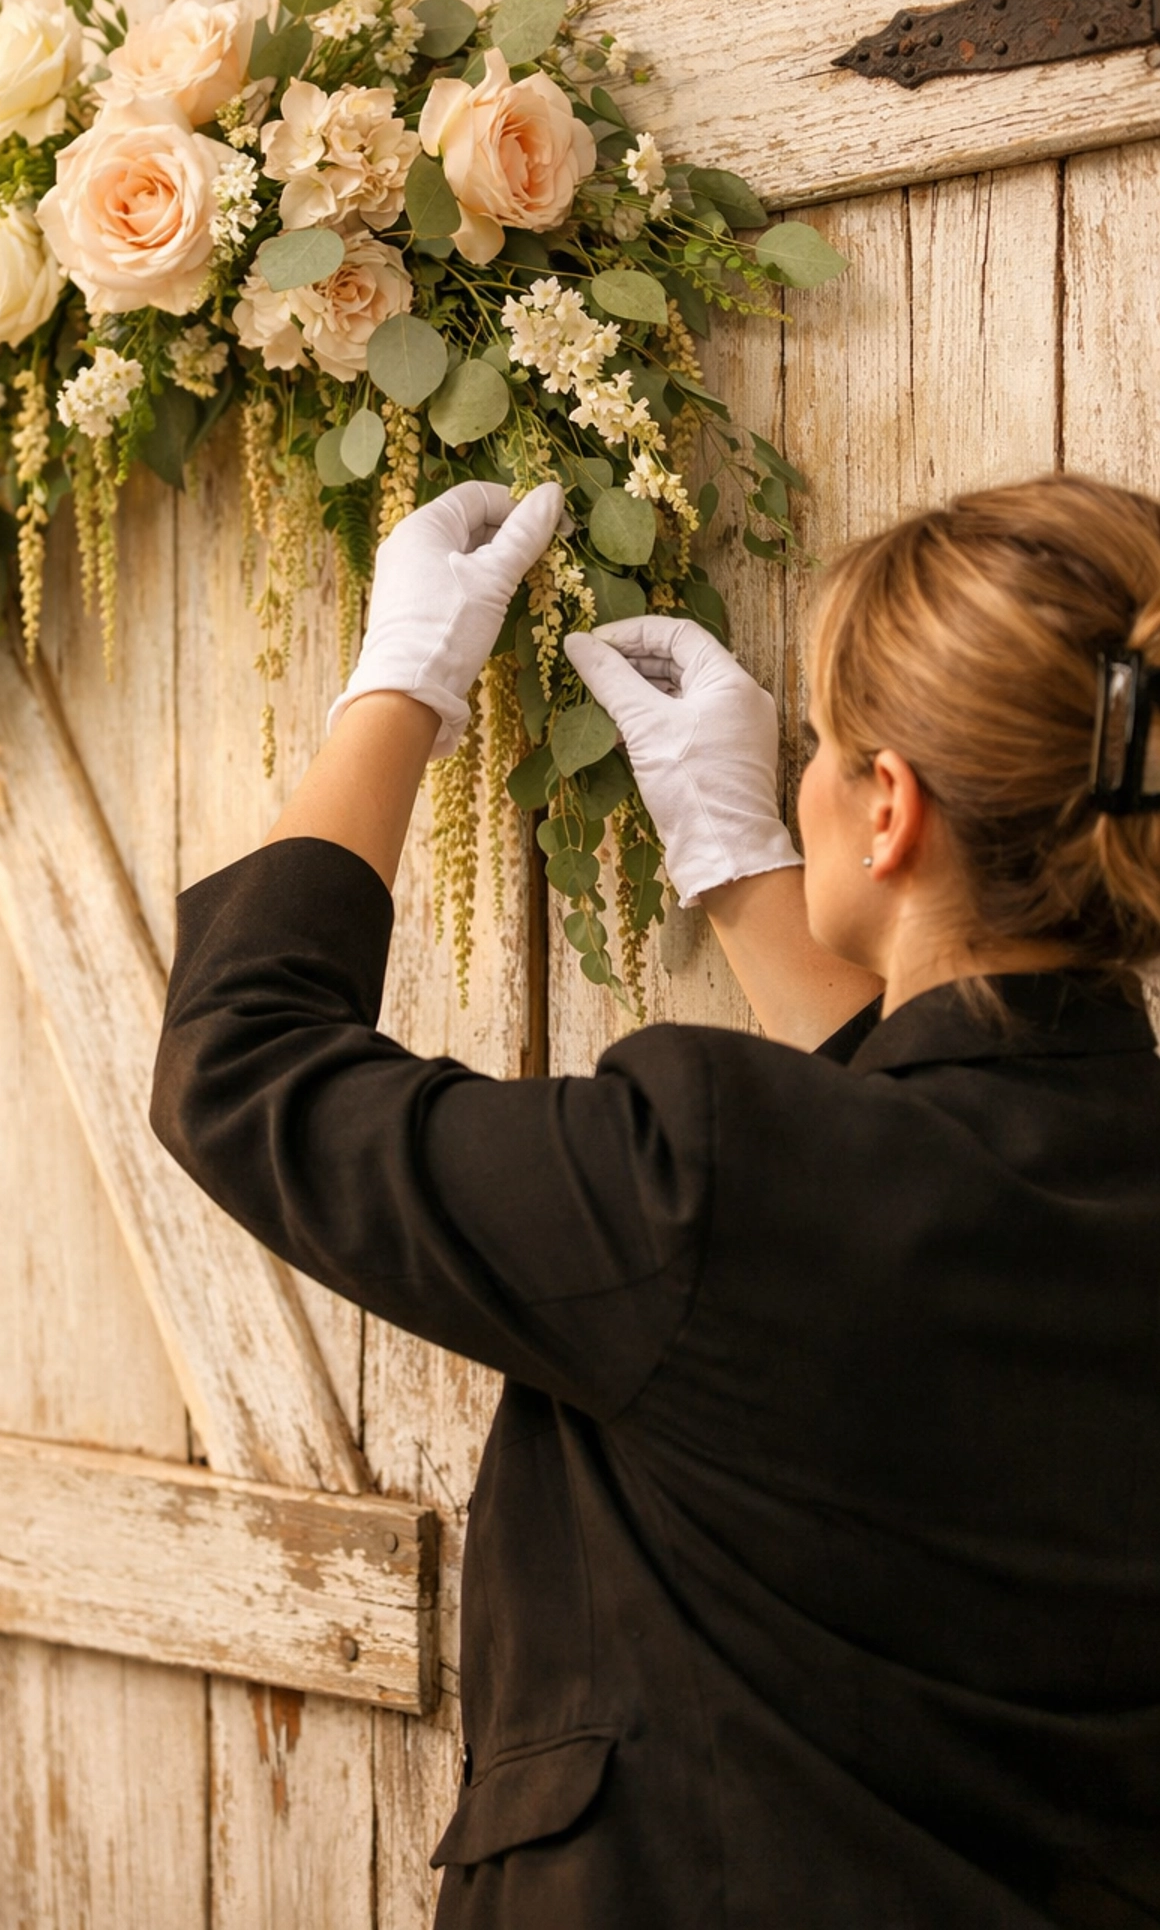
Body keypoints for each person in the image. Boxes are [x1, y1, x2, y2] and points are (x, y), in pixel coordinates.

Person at [151, 472, 1160, 1929]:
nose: (805, 776)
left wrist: (401, 688)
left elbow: (243, 1071)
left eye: (823, 749)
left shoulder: (707, 1176)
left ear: (889, 811)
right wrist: (746, 875)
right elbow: (929, 1160)